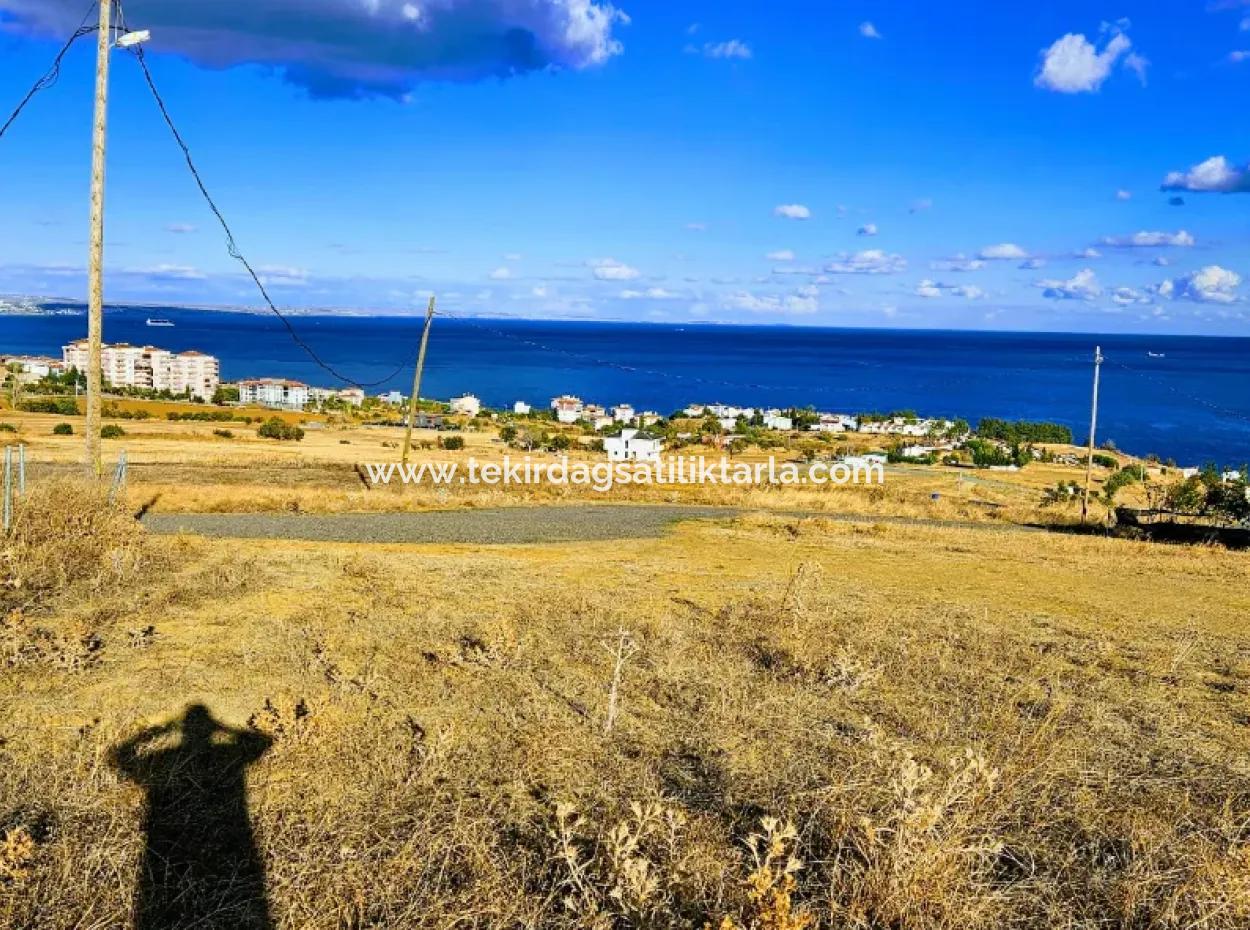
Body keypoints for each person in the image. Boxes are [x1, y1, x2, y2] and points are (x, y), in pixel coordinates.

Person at [111, 704, 273, 930]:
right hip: (226, 839)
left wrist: (157, 733)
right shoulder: (224, 754)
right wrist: (222, 728)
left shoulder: (167, 757)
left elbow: (121, 759)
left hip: (168, 846)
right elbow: (263, 742)